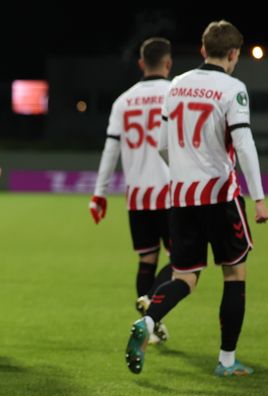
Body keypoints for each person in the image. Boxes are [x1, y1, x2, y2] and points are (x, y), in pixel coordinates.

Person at [126, 20, 267, 377]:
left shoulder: (176, 85)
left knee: (185, 277)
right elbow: (245, 145)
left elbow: (161, 144)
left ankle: (149, 320)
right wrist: (260, 197)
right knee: (234, 274)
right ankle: (226, 361)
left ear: (203, 50)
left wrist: (184, 172)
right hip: (219, 194)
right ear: (234, 54)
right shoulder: (233, 88)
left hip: (181, 197)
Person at [91, 37, 174, 345]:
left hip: (137, 195)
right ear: (168, 63)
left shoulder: (123, 101)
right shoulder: (175, 92)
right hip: (170, 192)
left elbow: (110, 151)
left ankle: (149, 323)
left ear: (141, 63)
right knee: (183, 263)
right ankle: (151, 305)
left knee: (146, 261)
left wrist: (99, 193)